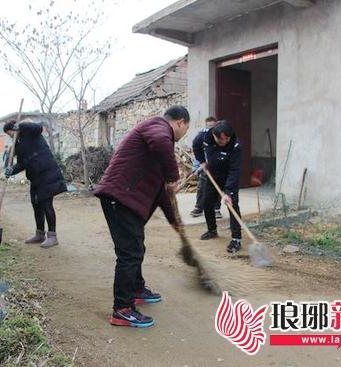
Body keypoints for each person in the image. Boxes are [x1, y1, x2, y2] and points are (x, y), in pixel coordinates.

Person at [94, 105, 190, 328]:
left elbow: (163, 195)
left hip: (125, 200)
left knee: (136, 248)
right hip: (120, 198)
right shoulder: (158, 127)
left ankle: (136, 289)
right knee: (129, 253)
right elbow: (162, 154)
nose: (184, 133)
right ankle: (122, 309)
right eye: (186, 128)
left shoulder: (157, 147)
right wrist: (173, 176)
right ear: (180, 122)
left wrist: (177, 224)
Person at [3, 121, 67, 248]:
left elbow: (39, 127)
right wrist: (12, 170)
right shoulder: (18, 145)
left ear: (15, 129)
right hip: (35, 177)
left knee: (46, 204)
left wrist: (21, 125)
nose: (11, 136)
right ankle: (40, 234)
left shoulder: (31, 133)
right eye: (9, 135)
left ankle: (52, 236)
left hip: (47, 174)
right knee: (36, 204)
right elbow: (22, 163)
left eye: (10, 133)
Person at [192, 120, 243, 254]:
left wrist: (228, 192)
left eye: (227, 139)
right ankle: (212, 230)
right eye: (220, 140)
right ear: (214, 135)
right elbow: (196, 146)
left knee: (232, 206)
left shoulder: (235, 146)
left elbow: (235, 170)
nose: (224, 142)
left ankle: (236, 239)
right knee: (207, 203)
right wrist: (202, 161)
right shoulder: (204, 135)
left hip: (228, 177)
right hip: (213, 175)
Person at [190, 116, 222, 219]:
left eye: (212, 127)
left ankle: (216, 209)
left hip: (217, 166)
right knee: (201, 188)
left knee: (217, 188)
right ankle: (199, 208)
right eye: (208, 127)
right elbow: (197, 150)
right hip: (204, 168)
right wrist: (196, 167)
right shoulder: (201, 136)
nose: (210, 129)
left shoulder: (220, 136)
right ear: (205, 126)